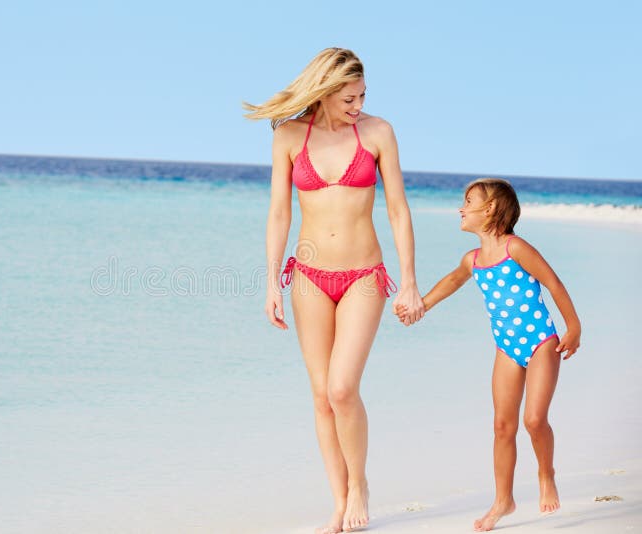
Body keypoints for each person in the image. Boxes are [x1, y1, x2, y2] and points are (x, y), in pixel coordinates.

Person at [244, 48, 424, 533]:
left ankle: (360, 484)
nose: (358, 104)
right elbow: (279, 212)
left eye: (363, 95)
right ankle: (340, 500)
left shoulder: (378, 132)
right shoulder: (288, 137)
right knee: (322, 396)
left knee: (343, 388)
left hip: (364, 276)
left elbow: (398, 210)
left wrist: (409, 280)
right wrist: (270, 283)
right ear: (324, 92)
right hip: (308, 277)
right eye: (349, 97)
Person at [397, 178, 581, 532]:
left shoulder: (517, 248)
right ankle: (503, 500)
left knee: (533, 420)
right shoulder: (473, 260)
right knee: (501, 426)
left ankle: (546, 472)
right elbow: (452, 281)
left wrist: (573, 327)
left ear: (492, 208)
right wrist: (422, 305)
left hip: (542, 340)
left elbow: (553, 283)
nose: (461, 208)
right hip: (506, 347)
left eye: (468, 201)